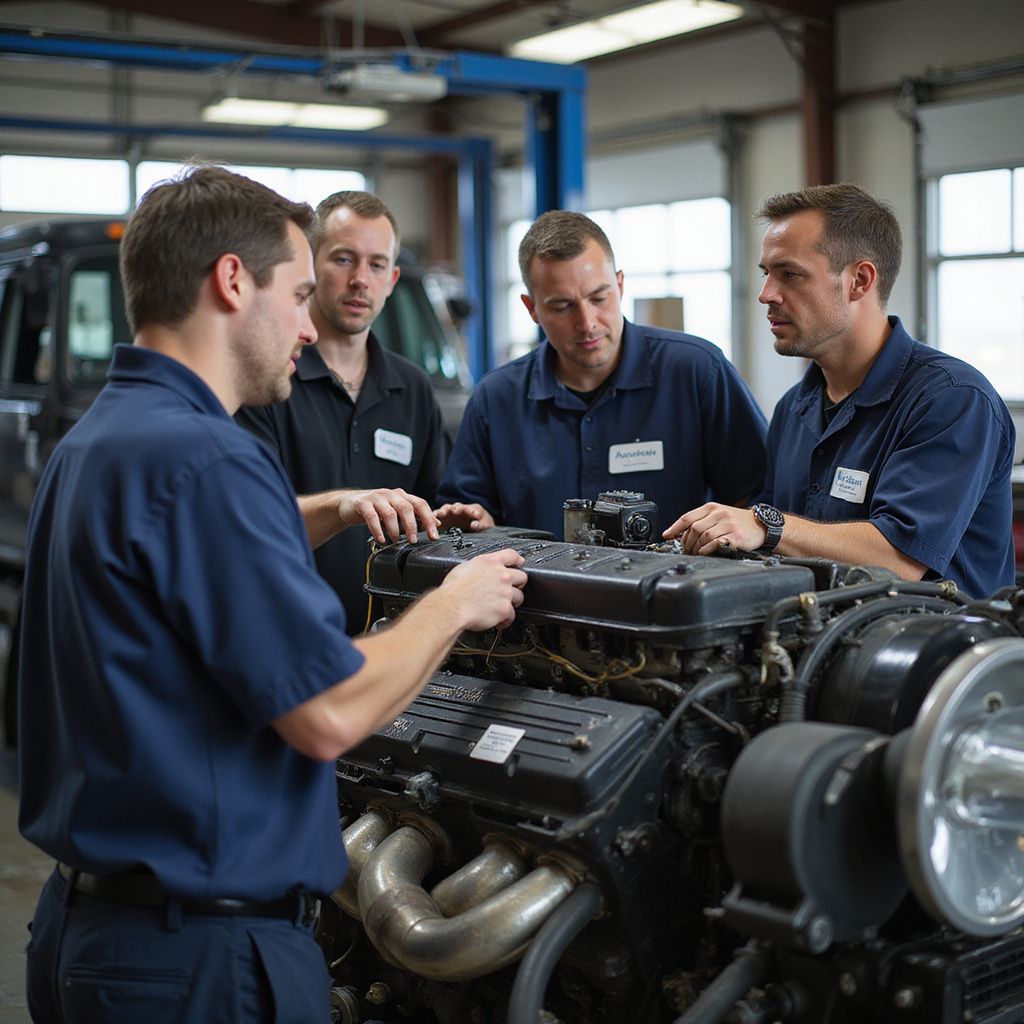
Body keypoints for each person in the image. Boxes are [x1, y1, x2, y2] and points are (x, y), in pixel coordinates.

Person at [17, 166, 527, 1024]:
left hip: (93, 930)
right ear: (230, 282)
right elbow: (326, 710)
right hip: (199, 962)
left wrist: (329, 506)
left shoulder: (102, 440)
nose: (307, 322)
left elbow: (176, 565)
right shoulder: (212, 458)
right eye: (298, 292)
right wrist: (457, 600)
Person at [666, 182, 1015, 599]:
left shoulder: (952, 400)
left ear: (859, 281)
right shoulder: (794, 409)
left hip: (937, 652)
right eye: (766, 274)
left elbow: (900, 558)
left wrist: (763, 525)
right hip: (822, 646)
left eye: (790, 274)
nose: (766, 295)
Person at [434, 210, 768, 539]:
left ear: (620, 285)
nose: (587, 322)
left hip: (674, 588)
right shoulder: (496, 398)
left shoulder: (696, 372)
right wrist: (476, 522)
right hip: (535, 592)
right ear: (532, 308)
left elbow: (757, 496)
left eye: (599, 298)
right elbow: (467, 514)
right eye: (562, 306)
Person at [236, 191, 447, 634]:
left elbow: (432, 507)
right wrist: (345, 505)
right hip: (286, 642)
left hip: (390, 643)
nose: (360, 280)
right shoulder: (266, 383)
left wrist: (453, 519)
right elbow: (249, 522)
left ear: (392, 279)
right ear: (310, 267)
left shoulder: (412, 389)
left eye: (375, 265)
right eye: (344, 259)